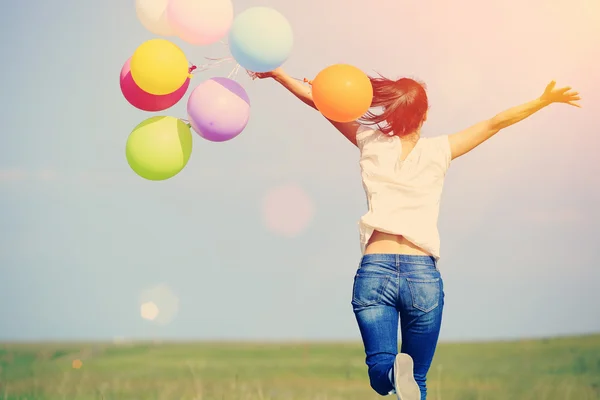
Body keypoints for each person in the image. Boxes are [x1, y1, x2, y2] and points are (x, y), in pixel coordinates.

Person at [251, 67, 580, 400]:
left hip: (375, 270)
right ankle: (403, 374)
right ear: (424, 116)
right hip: (421, 274)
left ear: (391, 112)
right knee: (417, 381)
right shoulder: (441, 150)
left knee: (382, 373)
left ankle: (393, 372)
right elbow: (496, 121)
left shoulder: (369, 141)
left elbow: (322, 104)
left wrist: (279, 74)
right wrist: (541, 101)